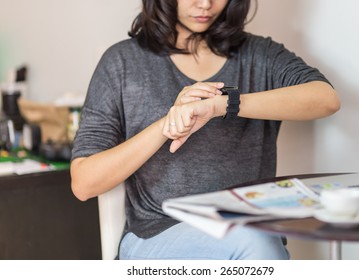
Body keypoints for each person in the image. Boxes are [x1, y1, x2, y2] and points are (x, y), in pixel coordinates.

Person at [71, 0, 340, 260]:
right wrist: (168, 124)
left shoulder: (260, 54)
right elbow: (84, 183)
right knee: (255, 242)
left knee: (257, 239)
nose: (206, 4)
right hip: (157, 235)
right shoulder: (122, 62)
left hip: (248, 231)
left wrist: (222, 105)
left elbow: (326, 99)